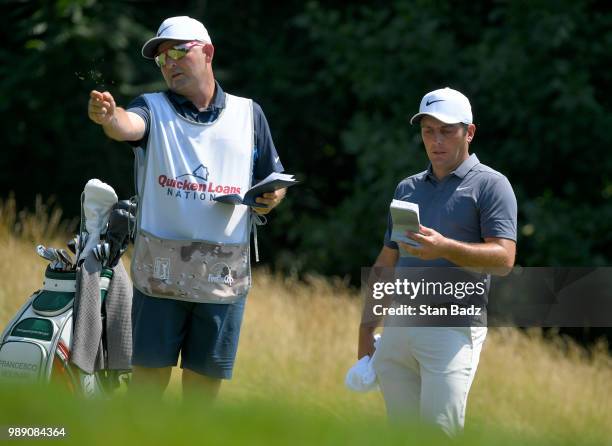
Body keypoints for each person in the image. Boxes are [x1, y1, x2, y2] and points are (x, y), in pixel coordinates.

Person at [87, 16, 286, 401]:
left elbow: (273, 180)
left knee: (201, 401)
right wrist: (110, 118)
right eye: (162, 58)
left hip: (222, 280)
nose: (169, 63)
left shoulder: (249, 114)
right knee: (145, 392)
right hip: (160, 276)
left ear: (207, 52)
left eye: (178, 51)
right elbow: (128, 126)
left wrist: (273, 197)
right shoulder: (152, 107)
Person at [358, 87, 517, 435]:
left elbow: (504, 258)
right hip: (399, 329)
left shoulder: (492, 186)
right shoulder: (407, 189)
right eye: (428, 131)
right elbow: (387, 260)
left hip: (453, 329)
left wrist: (444, 247)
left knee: (439, 435)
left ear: (469, 132)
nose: (436, 141)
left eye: (447, 130)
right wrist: (367, 329)